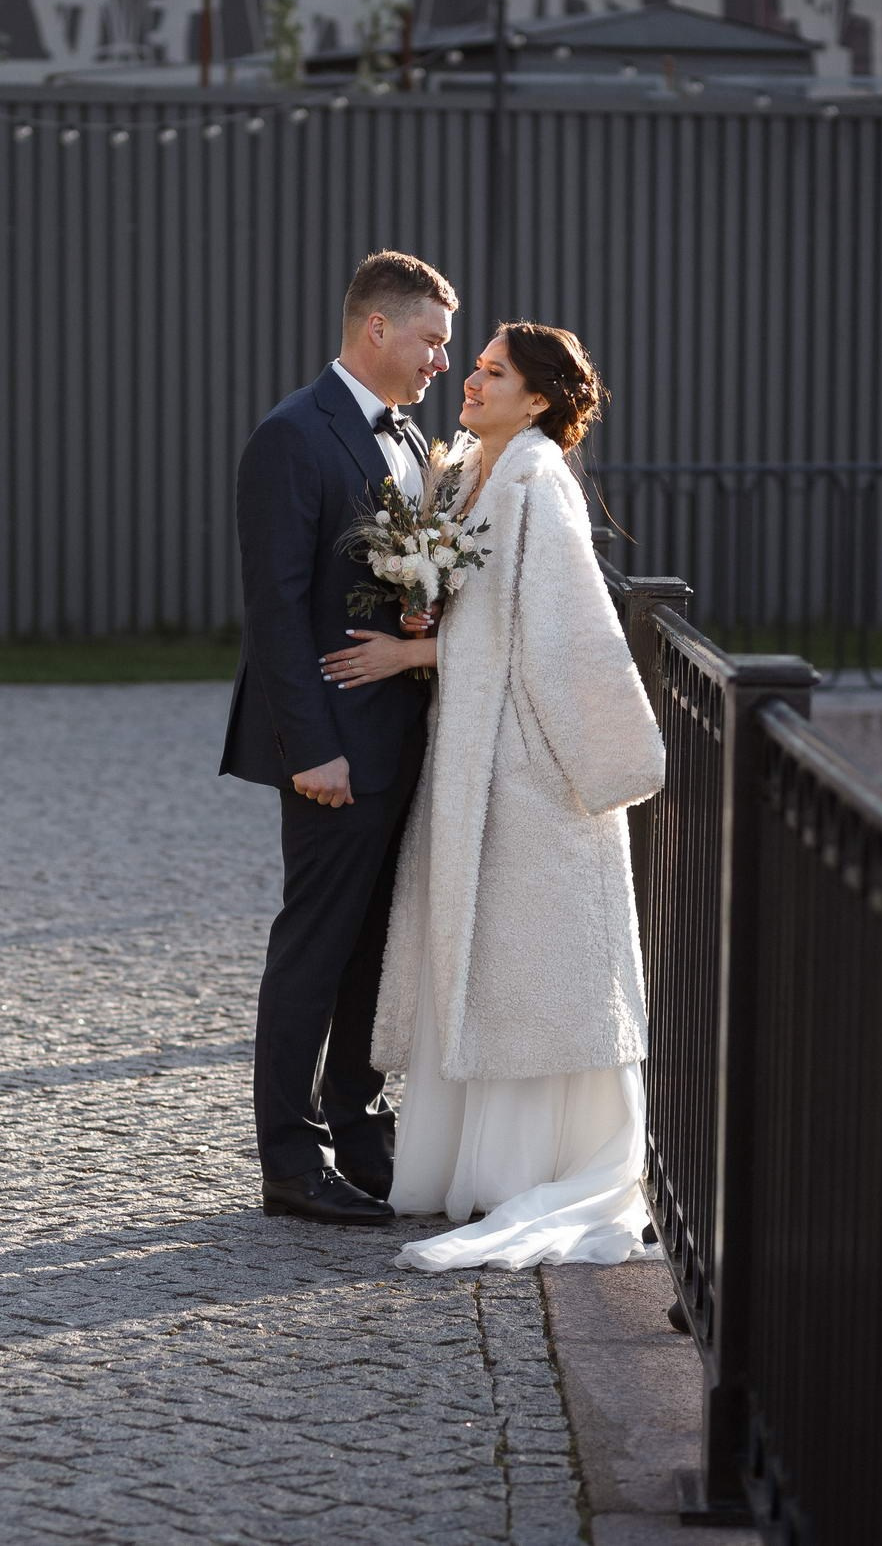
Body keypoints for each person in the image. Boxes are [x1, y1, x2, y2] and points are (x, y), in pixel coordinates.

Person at [319, 322, 664, 1271]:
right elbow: (484, 610)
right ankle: (461, 1163)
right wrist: (423, 605)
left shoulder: (538, 480)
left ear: (541, 398)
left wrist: (412, 650)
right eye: (472, 366)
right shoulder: (468, 466)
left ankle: (529, 1167)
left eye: (493, 372)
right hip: (470, 753)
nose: (469, 380)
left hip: (523, 763)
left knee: (525, 951)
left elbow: (550, 637)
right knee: (479, 945)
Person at [221, 250, 455, 1227]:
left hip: (396, 740)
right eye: (431, 339)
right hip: (329, 751)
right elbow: (274, 608)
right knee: (314, 946)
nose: (441, 359)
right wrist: (311, 749)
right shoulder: (292, 435)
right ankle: (288, 1160)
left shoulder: (411, 441)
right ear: (376, 329)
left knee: (370, 947)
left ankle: (358, 1132)